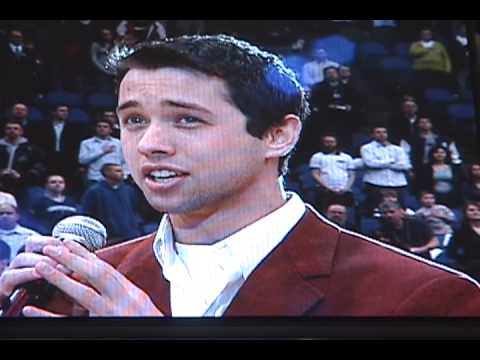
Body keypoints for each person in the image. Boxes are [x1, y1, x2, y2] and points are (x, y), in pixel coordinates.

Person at [1, 35, 480, 318]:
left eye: (187, 119)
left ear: (277, 135)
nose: (149, 144)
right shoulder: (87, 287)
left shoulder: (427, 298)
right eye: (134, 120)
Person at [81, 163, 143, 245]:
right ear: (107, 173)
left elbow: (136, 210)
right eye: (118, 171)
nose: (122, 173)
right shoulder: (94, 191)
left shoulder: (129, 190)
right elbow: (87, 214)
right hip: (109, 238)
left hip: (132, 235)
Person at [360, 125, 412, 215]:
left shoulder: (397, 149)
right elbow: (370, 163)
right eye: (378, 132)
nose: (381, 134)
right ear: (372, 134)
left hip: (397, 183)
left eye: (384, 132)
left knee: (400, 210)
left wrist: (381, 163)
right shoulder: (366, 148)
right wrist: (392, 161)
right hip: (375, 183)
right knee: (375, 212)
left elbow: (405, 165)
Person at [0, 120, 47, 197]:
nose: (12, 131)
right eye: (9, 128)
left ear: (21, 131)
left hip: (24, 185)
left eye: (15, 128)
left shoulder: (32, 149)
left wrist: (20, 176)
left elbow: (39, 168)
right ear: (5, 131)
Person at [309, 134, 355, 210]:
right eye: (326, 142)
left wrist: (346, 188)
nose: (329, 144)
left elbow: (352, 175)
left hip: (344, 191)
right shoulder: (317, 157)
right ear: (322, 143)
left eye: (331, 142)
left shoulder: (347, 157)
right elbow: (315, 174)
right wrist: (328, 188)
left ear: (336, 143)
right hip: (325, 192)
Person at [78, 119, 127, 187]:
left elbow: (124, 160)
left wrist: (125, 175)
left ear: (110, 130)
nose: (102, 128)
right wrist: (102, 152)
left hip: (115, 179)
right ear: (95, 129)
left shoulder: (118, 143)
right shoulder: (86, 143)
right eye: (99, 126)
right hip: (95, 178)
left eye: (105, 127)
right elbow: (82, 160)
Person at [0, 192, 39, 262]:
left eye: (9, 213)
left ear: (17, 216)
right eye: (1, 213)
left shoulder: (32, 236)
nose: (4, 216)